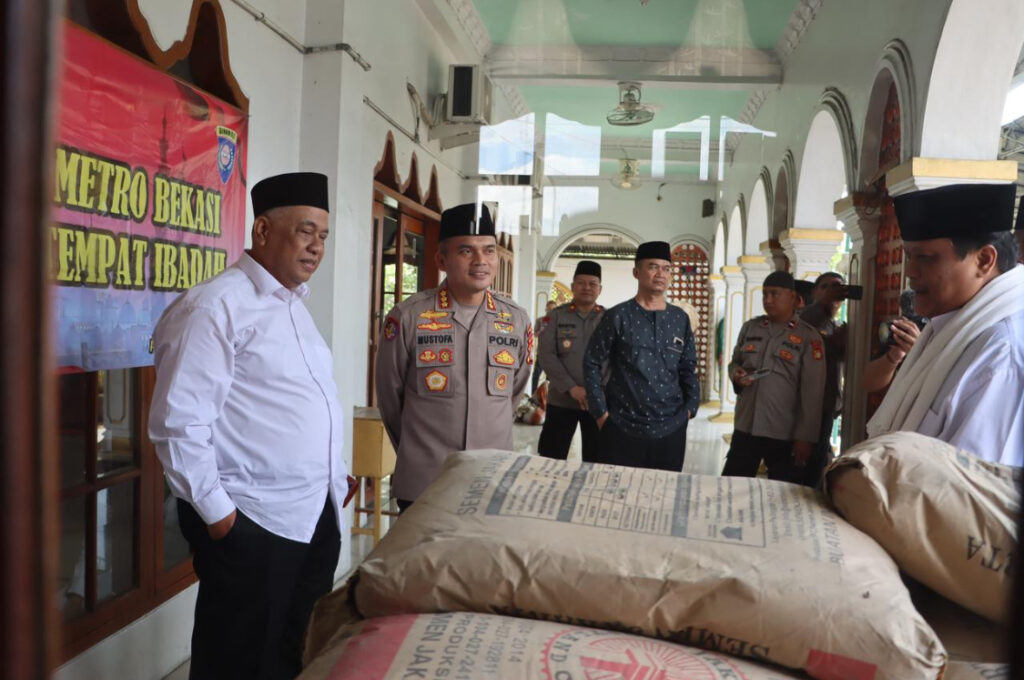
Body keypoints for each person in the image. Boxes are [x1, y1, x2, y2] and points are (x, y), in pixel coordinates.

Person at [149, 172, 349, 680]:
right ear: (262, 229)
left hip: (310, 516)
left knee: (294, 653)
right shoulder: (214, 306)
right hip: (254, 521)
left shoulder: (293, 305)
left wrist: (335, 471)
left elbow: (297, 403)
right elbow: (178, 424)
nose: (316, 247)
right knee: (237, 662)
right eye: (306, 231)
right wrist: (221, 519)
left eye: (323, 236)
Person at [376, 203, 533, 509]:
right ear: (441, 259)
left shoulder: (516, 320)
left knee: (483, 558)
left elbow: (513, 393)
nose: (480, 261)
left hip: (492, 478)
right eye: (466, 251)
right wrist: (416, 450)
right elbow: (390, 398)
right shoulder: (409, 317)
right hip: (426, 480)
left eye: (489, 251)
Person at [866, 184, 1024, 466]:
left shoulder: (1001, 349)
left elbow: (970, 488)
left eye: (926, 258)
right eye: (909, 257)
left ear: (984, 260)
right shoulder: (946, 327)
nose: (911, 273)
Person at [583, 241, 699, 471]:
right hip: (622, 427)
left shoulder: (679, 319)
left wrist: (690, 409)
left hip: (671, 427)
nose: (661, 274)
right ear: (636, 272)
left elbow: (688, 367)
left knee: (663, 497)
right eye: (653, 267)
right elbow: (591, 360)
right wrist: (600, 413)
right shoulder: (618, 316)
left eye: (666, 268)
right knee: (618, 498)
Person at [721, 271, 826, 483]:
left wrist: (805, 438)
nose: (768, 300)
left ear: (793, 297)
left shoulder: (808, 337)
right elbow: (735, 362)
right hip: (746, 427)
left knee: (782, 495)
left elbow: (812, 392)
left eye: (775, 294)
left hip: (783, 432)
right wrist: (736, 374)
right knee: (731, 488)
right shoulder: (751, 327)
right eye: (765, 294)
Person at [536, 260, 605, 461]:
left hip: (597, 403)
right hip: (561, 400)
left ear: (600, 289)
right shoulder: (555, 317)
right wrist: (571, 388)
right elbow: (546, 355)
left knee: (597, 460)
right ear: (573, 286)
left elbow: (613, 359)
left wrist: (595, 391)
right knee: (551, 459)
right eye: (581, 283)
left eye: (592, 284)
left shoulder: (608, 318)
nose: (587, 288)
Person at [799, 271, 848, 486]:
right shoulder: (807, 319)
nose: (832, 291)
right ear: (814, 292)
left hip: (826, 405)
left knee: (818, 462)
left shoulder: (836, 326)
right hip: (806, 405)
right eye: (825, 286)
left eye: (838, 287)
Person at [531, 299, 558, 393]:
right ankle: (533, 395)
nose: (551, 311)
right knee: (536, 375)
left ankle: (549, 396)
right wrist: (543, 328)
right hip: (542, 352)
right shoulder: (540, 320)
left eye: (553, 309)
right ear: (546, 309)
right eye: (549, 309)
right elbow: (535, 334)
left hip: (553, 353)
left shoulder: (558, 322)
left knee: (550, 377)